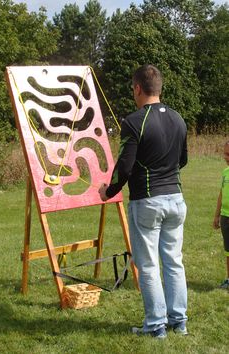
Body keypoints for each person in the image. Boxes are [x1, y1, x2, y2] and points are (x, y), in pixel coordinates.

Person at [99, 64, 188, 339]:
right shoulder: (178, 118)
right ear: (159, 88)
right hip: (176, 199)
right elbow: (182, 160)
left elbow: (124, 167)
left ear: (138, 88)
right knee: (174, 261)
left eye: (132, 89)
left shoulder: (134, 121)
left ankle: (155, 325)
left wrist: (108, 191)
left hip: (148, 202)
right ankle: (179, 322)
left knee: (148, 265)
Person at [213, 141, 229, 289]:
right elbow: (221, 194)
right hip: (225, 216)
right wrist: (217, 215)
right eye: (225, 153)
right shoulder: (225, 173)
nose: (226, 157)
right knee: (228, 250)